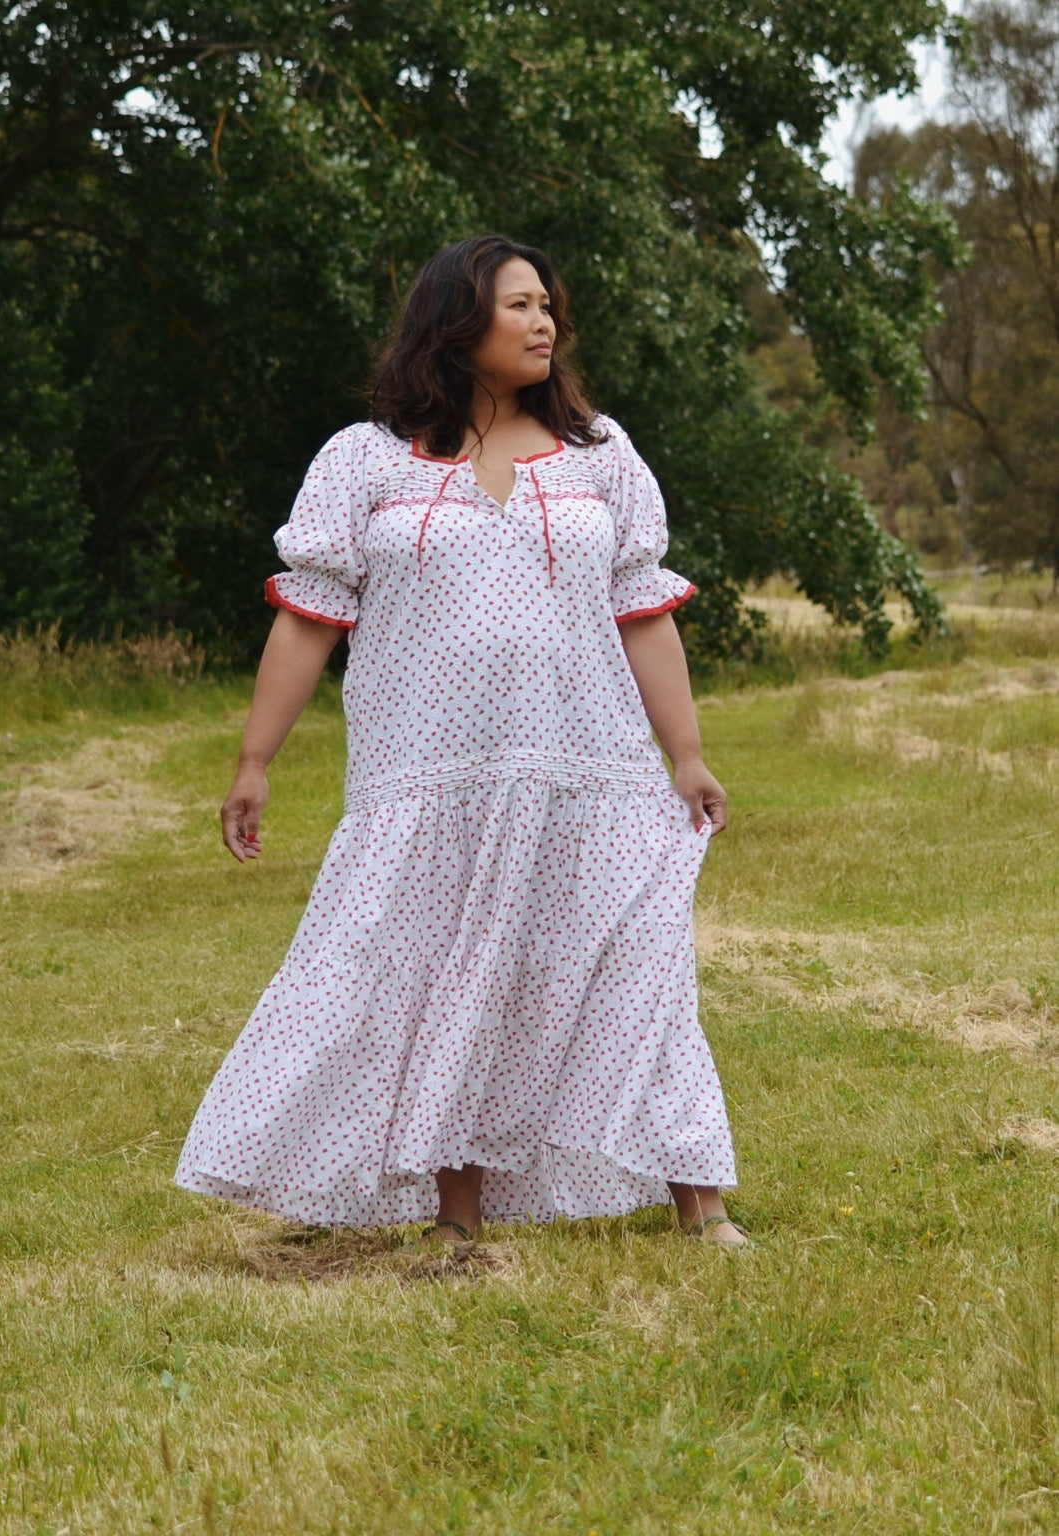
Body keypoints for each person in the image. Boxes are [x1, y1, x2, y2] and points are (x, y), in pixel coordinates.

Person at [174, 234, 747, 1247]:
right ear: (455, 319)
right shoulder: (363, 463)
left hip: (591, 768)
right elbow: (308, 618)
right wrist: (254, 763)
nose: (545, 324)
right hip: (428, 777)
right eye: (520, 305)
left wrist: (685, 753)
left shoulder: (598, 456)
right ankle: (458, 1221)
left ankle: (698, 1205)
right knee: (450, 982)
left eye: (548, 308)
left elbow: (643, 611)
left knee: (638, 968)